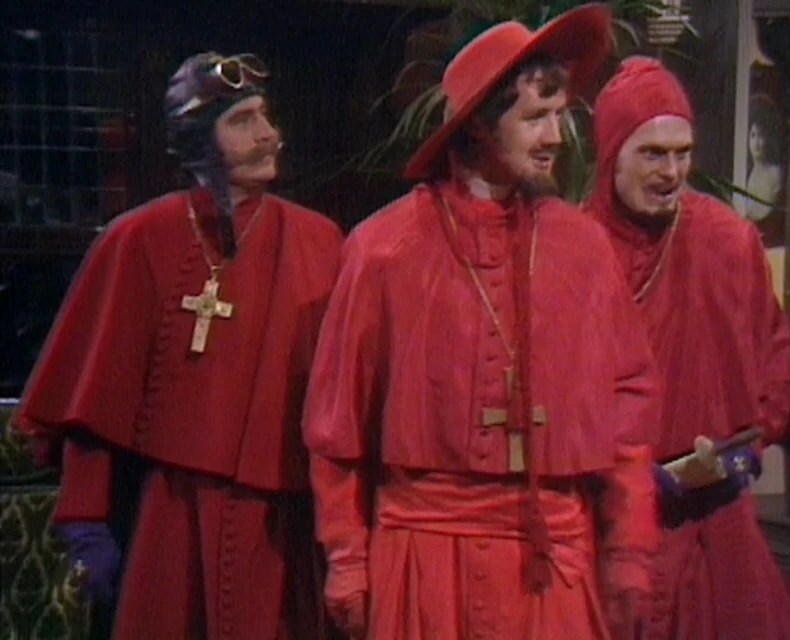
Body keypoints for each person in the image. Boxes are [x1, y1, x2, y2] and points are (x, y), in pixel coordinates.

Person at [303, 7, 662, 639]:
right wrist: (347, 558)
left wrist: (629, 550)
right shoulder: (384, 249)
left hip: (551, 562)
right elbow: (337, 428)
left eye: (560, 116)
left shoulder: (583, 249)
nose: (556, 137)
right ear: (476, 125)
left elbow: (626, 409)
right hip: (425, 560)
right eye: (535, 118)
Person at [14, 51, 342, 639]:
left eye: (266, 117)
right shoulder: (139, 238)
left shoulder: (321, 241)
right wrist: (87, 518)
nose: (269, 135)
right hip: (170, 517)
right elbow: (94, 403)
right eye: (242, 121)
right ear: (199, 139)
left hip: (284, 524)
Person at [586, 56, 790, 640]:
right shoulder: (575, 252)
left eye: (682, 153)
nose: (672, 172)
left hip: (716, 529)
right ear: (612, 156)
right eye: (653, 154)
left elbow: (776, 358)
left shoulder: (728, 241)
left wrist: (747, 447)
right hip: (609, 531)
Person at [745, 93, 784, 223]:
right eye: (753, 135)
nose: (756, 143)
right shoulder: (748, 175)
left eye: (761, 136)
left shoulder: (775, 174)